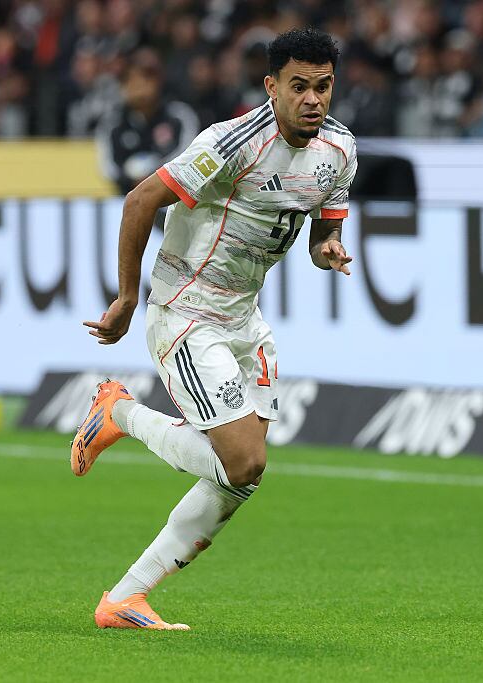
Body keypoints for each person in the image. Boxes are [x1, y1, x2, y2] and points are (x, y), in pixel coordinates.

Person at [70, 27, 356, 631]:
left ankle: (125, 599)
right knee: (244, 462)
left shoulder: (339, 151)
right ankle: (119, 413)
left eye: (323, 87)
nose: (312, 99)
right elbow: (141, 200)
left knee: (239, 479)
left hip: (244, 323)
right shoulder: (229, 142)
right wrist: (127, 296)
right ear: (270, 86)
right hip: (187, 313)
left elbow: (321, 229)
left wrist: (328, 247)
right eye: (298, 86)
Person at [96, 47, 200, 194]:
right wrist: (130, 178)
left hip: (172, 198)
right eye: (130, 80)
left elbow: (189, 153)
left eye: (145, 78)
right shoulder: (112, 123)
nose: (138, 86)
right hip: (126, 197)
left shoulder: (179, 116)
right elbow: (107, 166)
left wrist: (154, 177)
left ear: (157, 82)